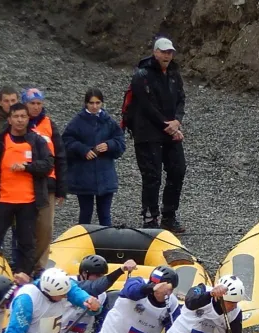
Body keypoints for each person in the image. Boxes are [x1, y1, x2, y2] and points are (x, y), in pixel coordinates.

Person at [0, 103, 53, 279]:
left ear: (28, 118)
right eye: (16, 116)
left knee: (27, 245)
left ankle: (23, 280)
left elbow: (48, 165)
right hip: (3, 202)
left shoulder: (37, 141)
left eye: (23, 117)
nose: (19, 120)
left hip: (28, 203)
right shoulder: (0, 141)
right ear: (9, 119)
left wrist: (27, 167)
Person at [126, 38, 187, 232]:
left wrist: (177, 121)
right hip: (147, 133)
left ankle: (169, 215)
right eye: (163, 52)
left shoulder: (174, 74)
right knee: (152, 176)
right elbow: (146, 105)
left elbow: (181, 99)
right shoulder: (142, 75)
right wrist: (166, 125)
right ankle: (150, 217)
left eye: (170, 52)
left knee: (178, 170)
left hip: (170, 130)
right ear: (155, 52)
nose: (167, 55)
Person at [3, 268, 101, 333]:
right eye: (62, 294)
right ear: (50, 293)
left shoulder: (63, 287)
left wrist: (90, 302)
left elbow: (78, 294)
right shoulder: (26, 300)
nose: (65, 296)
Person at [62, 88, 125, 226]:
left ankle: (106, 245)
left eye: (98, 103)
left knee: (105, 214)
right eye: (91, 103)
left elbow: (120, 142)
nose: (95, 106)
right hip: (84, 175)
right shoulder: (77, 122)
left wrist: (109, 145)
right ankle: (83, 244)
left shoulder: (109, 121)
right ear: (86, 104)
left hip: (105, 175)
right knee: (85, 213)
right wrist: (83, 150)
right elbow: (66, 141)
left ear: (102, 103)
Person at [86, 265, 177, 333]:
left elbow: (173, 331)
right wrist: (151, 288)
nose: (159, 292)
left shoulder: (172, 304)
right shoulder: (137, 282)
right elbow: (131, 292)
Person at [23, 88, 67, 275]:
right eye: (32, 103)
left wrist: (62, 188)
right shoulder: (19, 123)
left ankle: (39, 266)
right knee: (24, 226)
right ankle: (23, 264)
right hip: (22, 183)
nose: (36, 107)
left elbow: (60, 156)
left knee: (45, 228)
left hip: (47, 183)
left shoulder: (49, 124)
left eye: (39, 103)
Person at [58, 255, 137, 333]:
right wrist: (121, 270)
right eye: (97, 275)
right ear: (84, 273)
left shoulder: (102, 295)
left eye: (102, 275)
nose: (100, 279)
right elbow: (91, 288)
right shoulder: (67, 283)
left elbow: (99, 322)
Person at [166, 275, 246, 333]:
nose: (234, 307)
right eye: (231, 303)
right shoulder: (202, 290)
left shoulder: (236, 313)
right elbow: (190, 302)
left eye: (236, 303)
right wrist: (210, 294)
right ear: (219, 298)